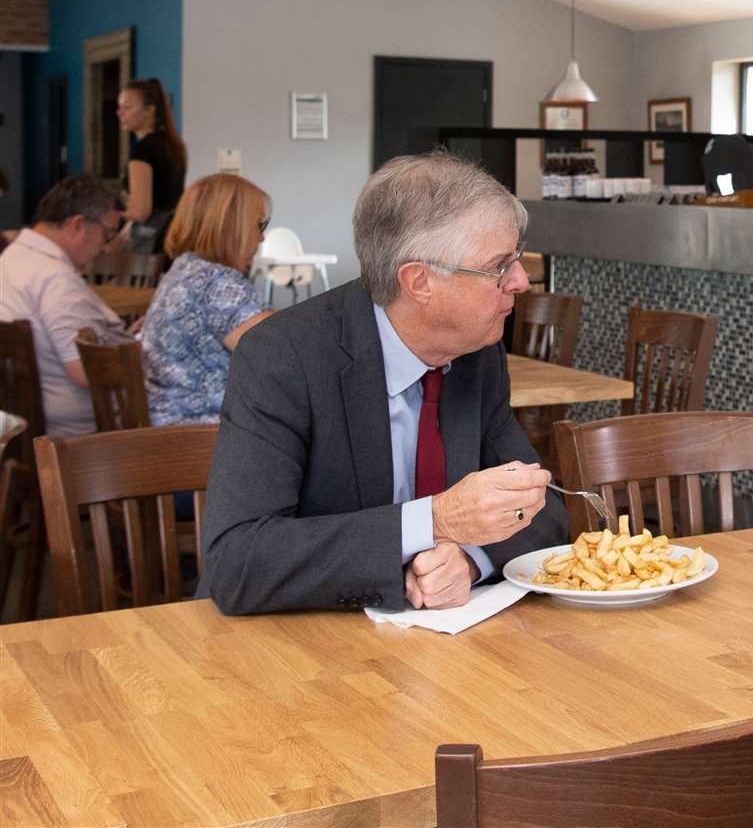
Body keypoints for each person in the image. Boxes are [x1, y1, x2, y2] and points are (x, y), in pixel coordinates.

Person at [199, 151, 565, 615]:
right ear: (419, 282)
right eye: (499, 266)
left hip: (433, 654)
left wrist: (469, 560)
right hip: (289, 651)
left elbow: (544, 505)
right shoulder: (282, 357)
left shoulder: (477, 352)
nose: (520, 281)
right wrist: (434, 521)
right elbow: (239, 561)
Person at [0, 175, 129, 437]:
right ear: (77, 225)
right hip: (75, 439)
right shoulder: (54, 278)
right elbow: (86, 370)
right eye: (107, 234)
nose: (107, 248)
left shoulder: (11, 258)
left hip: (20, 425)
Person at [141, 174, 274, 427]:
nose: (261, 238)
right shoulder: (216, 282)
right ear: (230, 226)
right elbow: (281, 353)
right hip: (198, 435)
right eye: (259, 225)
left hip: (166, 423)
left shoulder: (185, 269)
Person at [116, 78, 187, 254]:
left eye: (127, 107)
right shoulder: (174, 145)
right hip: (174, 235)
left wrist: (114, 211)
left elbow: (140, 212)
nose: (119, 113)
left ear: (149, 110)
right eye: (120, 107)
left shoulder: (143, 149)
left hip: (151, 243)